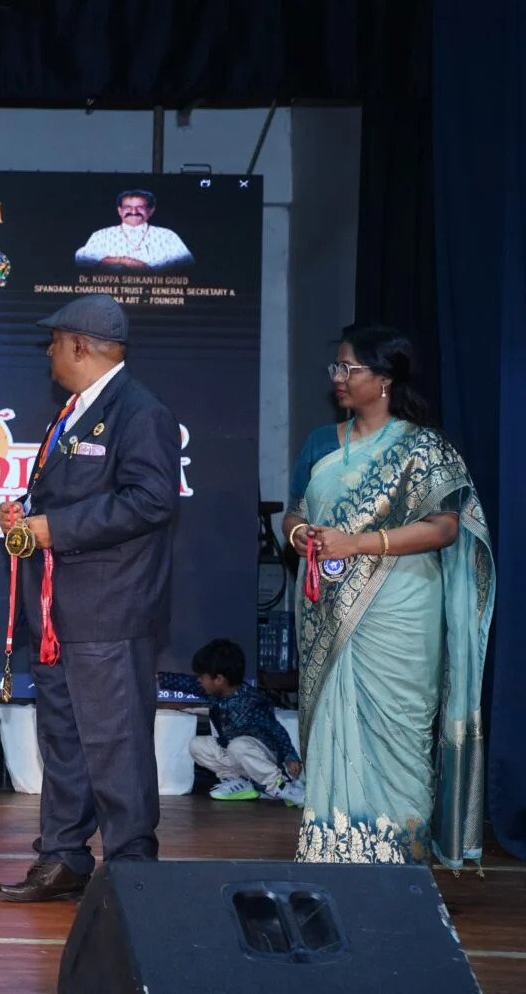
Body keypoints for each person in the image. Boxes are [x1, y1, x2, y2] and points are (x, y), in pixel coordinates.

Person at [283, 325, 493, 867]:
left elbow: (445, 528)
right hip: (330, 606)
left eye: (348, 368)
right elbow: (295, 511)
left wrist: (358, 542)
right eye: (336, 368)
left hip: (401, 608)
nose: (338, 378)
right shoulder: (321, 443)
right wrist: (300, 534)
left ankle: (401, 858)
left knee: (400, 730)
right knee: (335, 724)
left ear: (384, 379)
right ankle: (334, 852)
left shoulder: (424, 446)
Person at [0, 293, 180, 903]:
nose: (49, 352)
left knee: (116, 742)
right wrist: (26, 514)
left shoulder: (140, 411)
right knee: (64, 739)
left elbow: (151, 500)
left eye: (54, 342)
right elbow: (69, 495)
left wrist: (56, 528)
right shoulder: (73, 412)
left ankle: (132, 866)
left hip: (109, 608)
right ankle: (63, 858)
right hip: (57, 611)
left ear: (79, 345)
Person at [159, 639, 304, 806]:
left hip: (264, 757)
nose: (198, 680)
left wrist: (290, 756)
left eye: (202, 677)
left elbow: (276, 730)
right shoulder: (215, 692)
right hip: (237, 753)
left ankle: (281, 787)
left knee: (239, 745)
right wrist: (158, 678)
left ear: (219, 679)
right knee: (198, 745)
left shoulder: (252, 702)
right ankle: (241, 782)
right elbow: (186, 683)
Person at [74, 189, 194, 271]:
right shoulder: (101, 235)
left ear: (150, 211)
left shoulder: (167, 236)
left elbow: (187, 265)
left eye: (140, 207)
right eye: (128, 207)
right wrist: (124, 261)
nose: (133, 211)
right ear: (120, 211)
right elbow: (82, 260)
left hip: (158, 294)